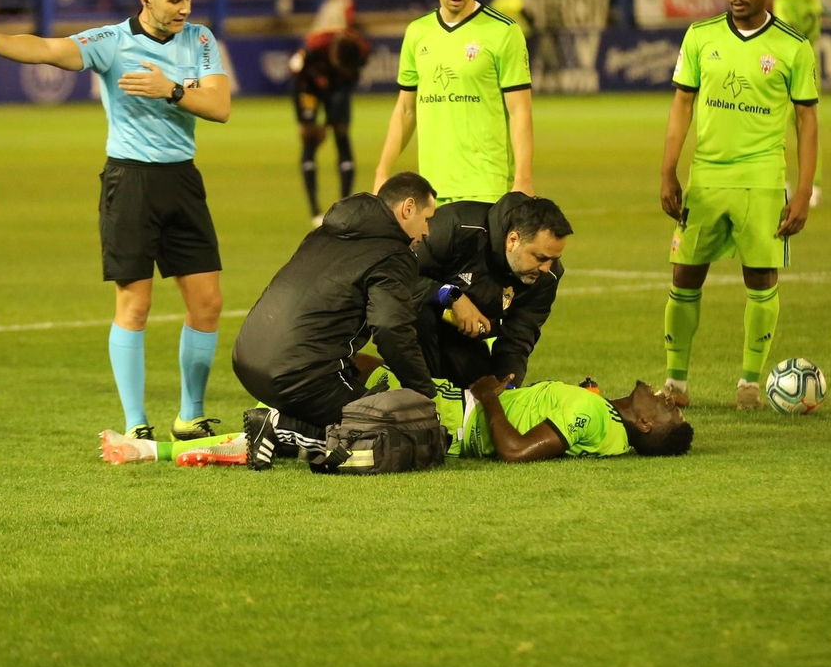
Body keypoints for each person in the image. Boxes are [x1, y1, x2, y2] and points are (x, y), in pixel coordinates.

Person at [0, 0, 231, 445]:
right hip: (131, 183)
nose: (186, 8)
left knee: (207, 303)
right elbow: (49, 50)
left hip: (182, 181)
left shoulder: (200, 39)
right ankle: (135, 421)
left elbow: (220, 106)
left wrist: (170, 90)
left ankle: (191, 414)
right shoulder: (111, 42)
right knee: (135, 305)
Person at [659, 0, 819, 411]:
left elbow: (807, 120)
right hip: (706, 177)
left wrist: (804, 189)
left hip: (763, 179)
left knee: (761, 278)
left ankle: (750, 383)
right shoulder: (700, 36)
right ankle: (676, 383)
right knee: (684, 277)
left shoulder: (793, 46)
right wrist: (668, 170)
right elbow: (681, 104)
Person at [229, 173, 439, 471]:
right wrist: (422, 392)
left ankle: (282, 426)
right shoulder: (393, 254)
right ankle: (281, 428)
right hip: (298, 375)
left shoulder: (325, 232)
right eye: (427, 218)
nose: (428, 230)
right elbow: (390, 327)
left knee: (356, 409)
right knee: (392, 431)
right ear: (407, 208)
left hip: (246, 358)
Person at [373, 0, 534, 204]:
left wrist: (523, 179)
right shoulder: (417, 33)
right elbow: (406, 109)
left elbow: (520, 110)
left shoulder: (503, 32)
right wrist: (382, 172)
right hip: (432, 193)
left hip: (486, 188)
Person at [414, 192, 571, 389]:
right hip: (413, 324)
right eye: (540, 257)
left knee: (480, 393)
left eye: (554, 259)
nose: (546, 268)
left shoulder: (547, 276)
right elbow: (397, 277)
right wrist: (451, 295)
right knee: (422, 316)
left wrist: (506, 385)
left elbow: (519, 336)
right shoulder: (457, 226)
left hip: (463, 339)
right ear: (513, 240)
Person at [364, 368, 693, 461]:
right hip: (455, 420)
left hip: (455, 412)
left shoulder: (590, 411)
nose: (667, 396)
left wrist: (488, 396)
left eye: (666, 407)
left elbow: (516, 450)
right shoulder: (609, 427)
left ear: (646, 424)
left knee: (361, 368)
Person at [291, 26, 370, 223]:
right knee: (309, 138)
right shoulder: (315, 45)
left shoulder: (360, 51)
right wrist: (306, 121)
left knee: (342, 135)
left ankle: (345, 205)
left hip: (339, 87)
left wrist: (327, 125)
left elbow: (352, 79)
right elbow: (296, 72)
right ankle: (314, 211)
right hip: (309, 86)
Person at [773, 0, 825, 206]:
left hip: (788, 71)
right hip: (811, 67)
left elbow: (784, 34)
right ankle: (814, 187)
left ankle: (781, 184)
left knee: (776, 131)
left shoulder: (782, 3)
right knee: (809, 129)